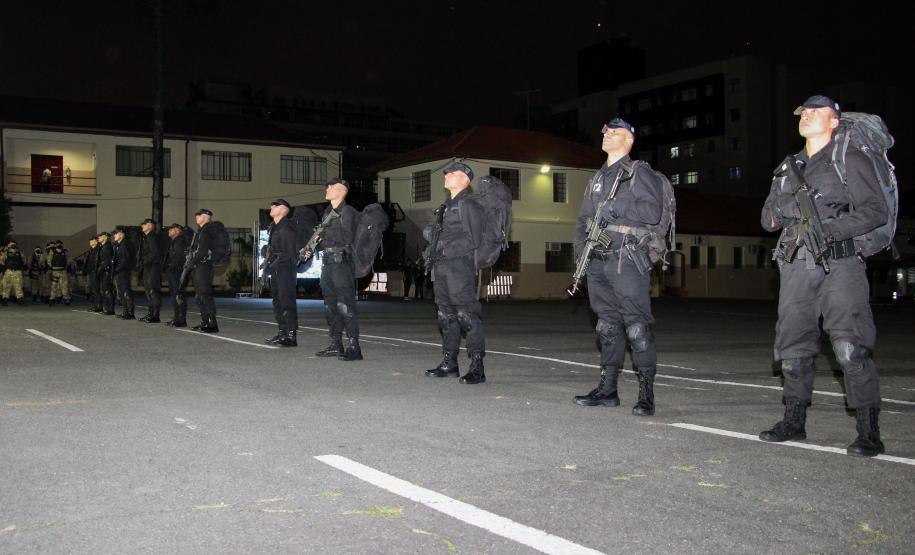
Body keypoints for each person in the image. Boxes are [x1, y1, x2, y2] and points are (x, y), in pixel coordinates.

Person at [759, 95, 889, 457]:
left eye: (817, 112)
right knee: (792, 348)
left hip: (840, 263)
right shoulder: (787, 168)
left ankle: (868, 430)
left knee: (849, 347)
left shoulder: (850, 158)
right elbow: (767, 217)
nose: (807, 117)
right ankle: (794, 421)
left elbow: (876, 210)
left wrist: (832, 229)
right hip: (797, 265)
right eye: (803, 112)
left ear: (835, 121)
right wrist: (789, 208)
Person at [572, 117, 665, 415]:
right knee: (607, 328)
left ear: (629, 140)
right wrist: (579, 258)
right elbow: (583, 220)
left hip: (626, 260)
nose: (607, 135)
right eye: (605, 131)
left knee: (636, 328)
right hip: (597, 261)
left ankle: (646, 394)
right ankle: (607, 390)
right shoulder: (597, 178)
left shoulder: (639, 173)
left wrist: (615, 208)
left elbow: (652, 212)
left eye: (615, 132)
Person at [423, 162, 487, 384]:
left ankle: (477, 367)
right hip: (441, 267)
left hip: (459, 267)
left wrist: (444, 248)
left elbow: (473, 239)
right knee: (445, 316)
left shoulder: (469, 204)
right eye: (447, 173)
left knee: (466, 316)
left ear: (465, 180)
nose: (447, 175)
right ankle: (449, 363)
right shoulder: (446, 206)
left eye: (452, 173)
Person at [309, 179, 362, 361]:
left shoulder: (348, 212)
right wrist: (311, 247)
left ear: (341, 191)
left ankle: (354, 347)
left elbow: (347, 236)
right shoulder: (327, 213)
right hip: (328, 263)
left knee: (345, 305)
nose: (327, 189)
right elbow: (323, 239)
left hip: (342, 263)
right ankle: (336, 344)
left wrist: (324, 232)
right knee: (330, 306)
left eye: (331, 187)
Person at [263, 199, 299, 347]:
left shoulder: (286, 227)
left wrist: (273, 263)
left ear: (284, 209)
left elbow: (289, 252)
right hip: (277, 268)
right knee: (277, 301)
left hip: (285, 269)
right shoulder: (275, 227)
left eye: (275, 205)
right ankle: (282, 333)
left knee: (286, 302)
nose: (271, 207)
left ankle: (291, 336)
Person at [188, 208, 219, 333]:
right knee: (199, 295)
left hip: (203, 266)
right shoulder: (202, 231)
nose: (197, 216)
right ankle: (205, 321)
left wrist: (192, 262)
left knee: (204, 294)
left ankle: (212, 323)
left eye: (199, 215)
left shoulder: (207, 230)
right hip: (200, 266)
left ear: (207, 216)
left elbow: (202, 252)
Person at [138, 218, 163, 323]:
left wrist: (144, 261)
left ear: (150, 226)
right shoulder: (147, 237)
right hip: (148, 267)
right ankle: (150, 313)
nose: (142, 226)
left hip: (153, 268)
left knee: (153, 291)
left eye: (144, 224)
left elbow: (154, 253)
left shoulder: (152, 237)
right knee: (149, 291)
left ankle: (155, 316)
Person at [163, 223, 189, 327]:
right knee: (175, 295)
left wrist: (170, 265)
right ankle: (177, 318)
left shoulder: (179, 241)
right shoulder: (174, 241)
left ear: (177, 230)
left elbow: (180, 257)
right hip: (173, 271)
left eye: (171, 229)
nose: (169, 231)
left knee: (178, 295)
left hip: (176, 272)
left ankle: (181, 319)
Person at [112, 230, 135, 319]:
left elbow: (125, 260)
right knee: (121, 292)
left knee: (126, 292)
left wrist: (116, 269)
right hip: (120, 271)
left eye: (116, 234)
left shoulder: (125, 244)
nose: (114, 236)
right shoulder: (119, 245)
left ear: (121, 234)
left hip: (124, 272)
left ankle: (130, 313)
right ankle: (125, 312)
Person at [0, 241, 26, 305]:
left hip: (17, 271)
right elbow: (1, 260)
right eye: (11, 245)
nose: (13, 246)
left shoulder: (19, 253)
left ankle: (20, 300)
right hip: (9, 271)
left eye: (14, 245)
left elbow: (24, 261)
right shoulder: (6, 253)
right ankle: (4, 300)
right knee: (6, 286)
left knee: (18, 286)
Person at [96, 232, 116, 315]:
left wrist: (100, 269)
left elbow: (106, 261)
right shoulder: (103, 247)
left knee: (107, 291)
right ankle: (107, 308)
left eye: (100, 236)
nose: (98, 237)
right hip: (104, 271)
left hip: (106, 272)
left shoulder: (107, 247)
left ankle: (110, 309)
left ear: (105, 237)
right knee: (105, 291)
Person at [48, 241, 71, 306]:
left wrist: (65, 267)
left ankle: (66, 299)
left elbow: (68, 260)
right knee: (54, 286)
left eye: (60, 244)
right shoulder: (52, 252)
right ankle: (52, 299)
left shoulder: (64, 252)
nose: (59, 245)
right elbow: (49, 261)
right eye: (58, 244)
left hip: (62, 271)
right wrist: (52, 267)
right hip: (55, 271)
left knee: (64, 286)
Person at [85, 237, 101, 312]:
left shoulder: (97, 250)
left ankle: (98, 306)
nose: (90, 242)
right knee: (94, 290)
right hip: (91, 272)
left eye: (92, 241)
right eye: (90, 241)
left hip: (95, 272)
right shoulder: (92, 250)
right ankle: (96, 306)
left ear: (96, 241)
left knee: (96, 290)